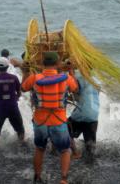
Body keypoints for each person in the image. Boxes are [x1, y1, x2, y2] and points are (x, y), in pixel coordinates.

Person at [21, 52, 78, 184]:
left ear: (42, 64)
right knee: (65, 150)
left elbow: (23, 89)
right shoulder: (66, 77)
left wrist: (25, 72)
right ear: (58, 63)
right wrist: (71, 70)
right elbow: (75, 89)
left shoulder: (34, 78)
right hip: (58, 121)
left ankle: (37, 176)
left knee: (40, 149)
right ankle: (63, 179)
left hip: (40, 121)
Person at [68, 74, 100, 160]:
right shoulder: (96, 79)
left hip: (82, 114)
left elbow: (75, 94)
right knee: (90, 145)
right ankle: (91, 160)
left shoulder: (78, 78)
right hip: (94, 114)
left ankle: (75, 152)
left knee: (65, 130)